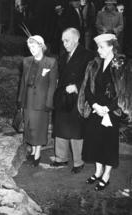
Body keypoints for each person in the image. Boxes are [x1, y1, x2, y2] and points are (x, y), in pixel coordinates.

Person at [78, 33, 132, 191]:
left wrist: (107, 108)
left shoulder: (123, 65)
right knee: (95, 141)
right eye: (98, 47)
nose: (98, 50)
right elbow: (87, 87)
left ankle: (106, 176)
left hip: (112, 110)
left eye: (101, 47)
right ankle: (98, 171)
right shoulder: (93, 64)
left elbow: (124, 92)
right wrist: (95, 105)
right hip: (96, 110)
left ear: (111, 47)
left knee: (108, 144)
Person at [52, 28, 94, 173]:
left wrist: (77, 86)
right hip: (62, 96)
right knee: (60, 127)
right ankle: (60, 158)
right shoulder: (63, 56)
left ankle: (78, 162)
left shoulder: (88, 55)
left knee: (76, 130)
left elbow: (91, 77)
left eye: (67, 40)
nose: (64, 44)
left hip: (77, 97)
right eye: (63, 41)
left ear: (76, 39)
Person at [18, 35, 58, 167]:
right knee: (29, 126)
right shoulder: (26, 61)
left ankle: (38, 153)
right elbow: (22, 82)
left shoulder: (51, 62)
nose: (31, 49)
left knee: (39, 127)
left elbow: (52, 85)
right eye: (29, 47)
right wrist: (20, 100)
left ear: (41, 45)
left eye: (34, 46)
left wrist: (49, 102)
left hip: (42, 101)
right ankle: (33, 150)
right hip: (28, 98)